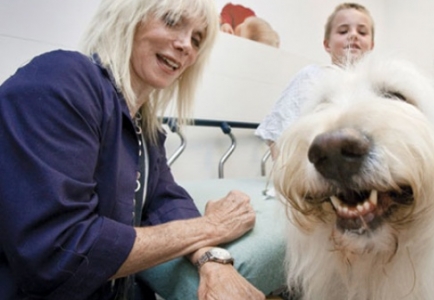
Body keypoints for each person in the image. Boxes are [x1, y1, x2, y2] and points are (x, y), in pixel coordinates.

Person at [0, 0, 265, 299]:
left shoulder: (146, 129)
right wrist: (212, 227)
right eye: (172, 20)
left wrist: (212, 260)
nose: (186, 46)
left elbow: (165, 201)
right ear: (126, 17)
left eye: (196, 39)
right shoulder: (62, 79)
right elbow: (60, 252)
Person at [255, 3, 375, 160]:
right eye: (343, 31)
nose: (353, 35)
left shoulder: (375, 87)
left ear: (371, 45)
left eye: (362, 32)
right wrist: (285, 179)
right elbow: (277, 131)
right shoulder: (311, 77)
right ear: (327, 44)